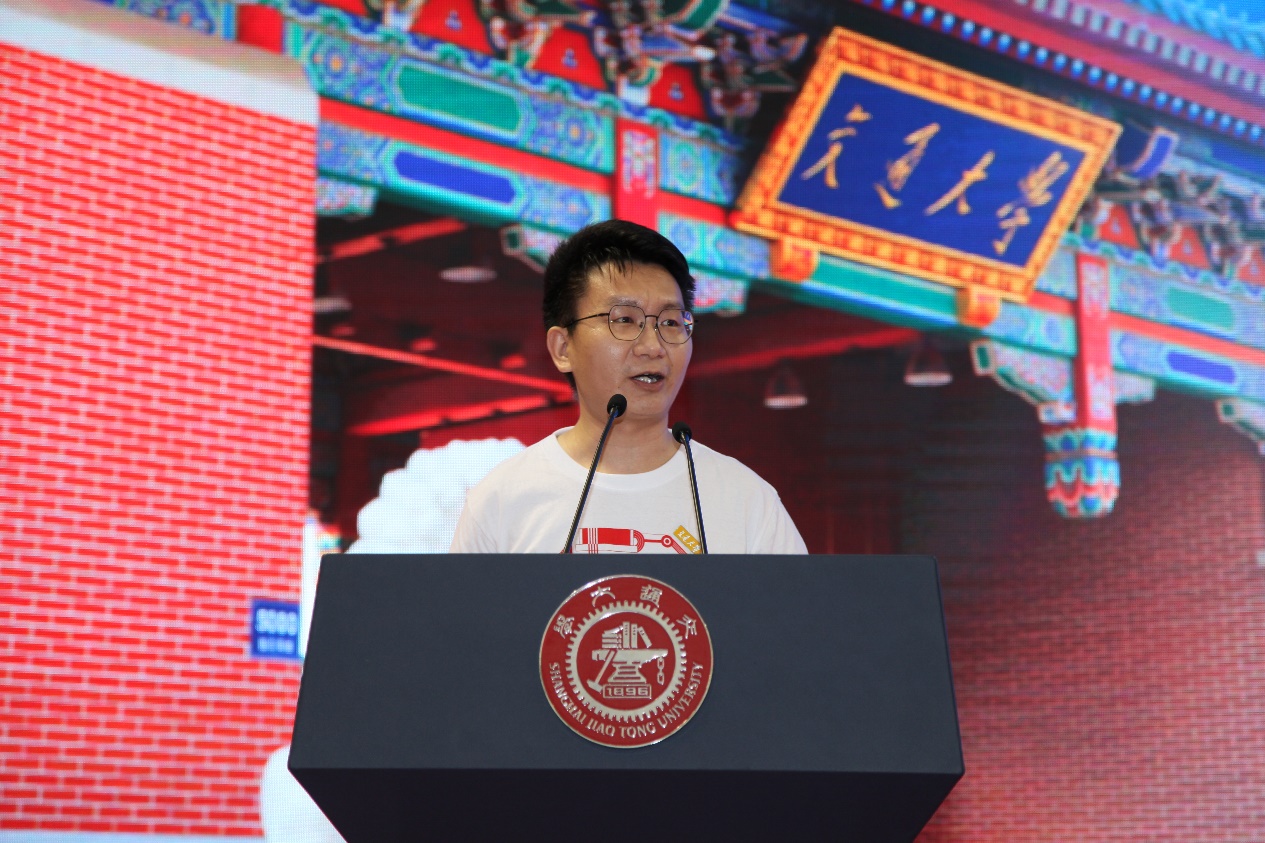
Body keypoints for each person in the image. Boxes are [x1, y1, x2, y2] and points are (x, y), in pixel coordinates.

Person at [450, 219, 806, 554]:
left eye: (671, 322)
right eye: (624, 319)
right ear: (563, 348)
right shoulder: (501, 501)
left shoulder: (746, 501)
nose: (653, 346)